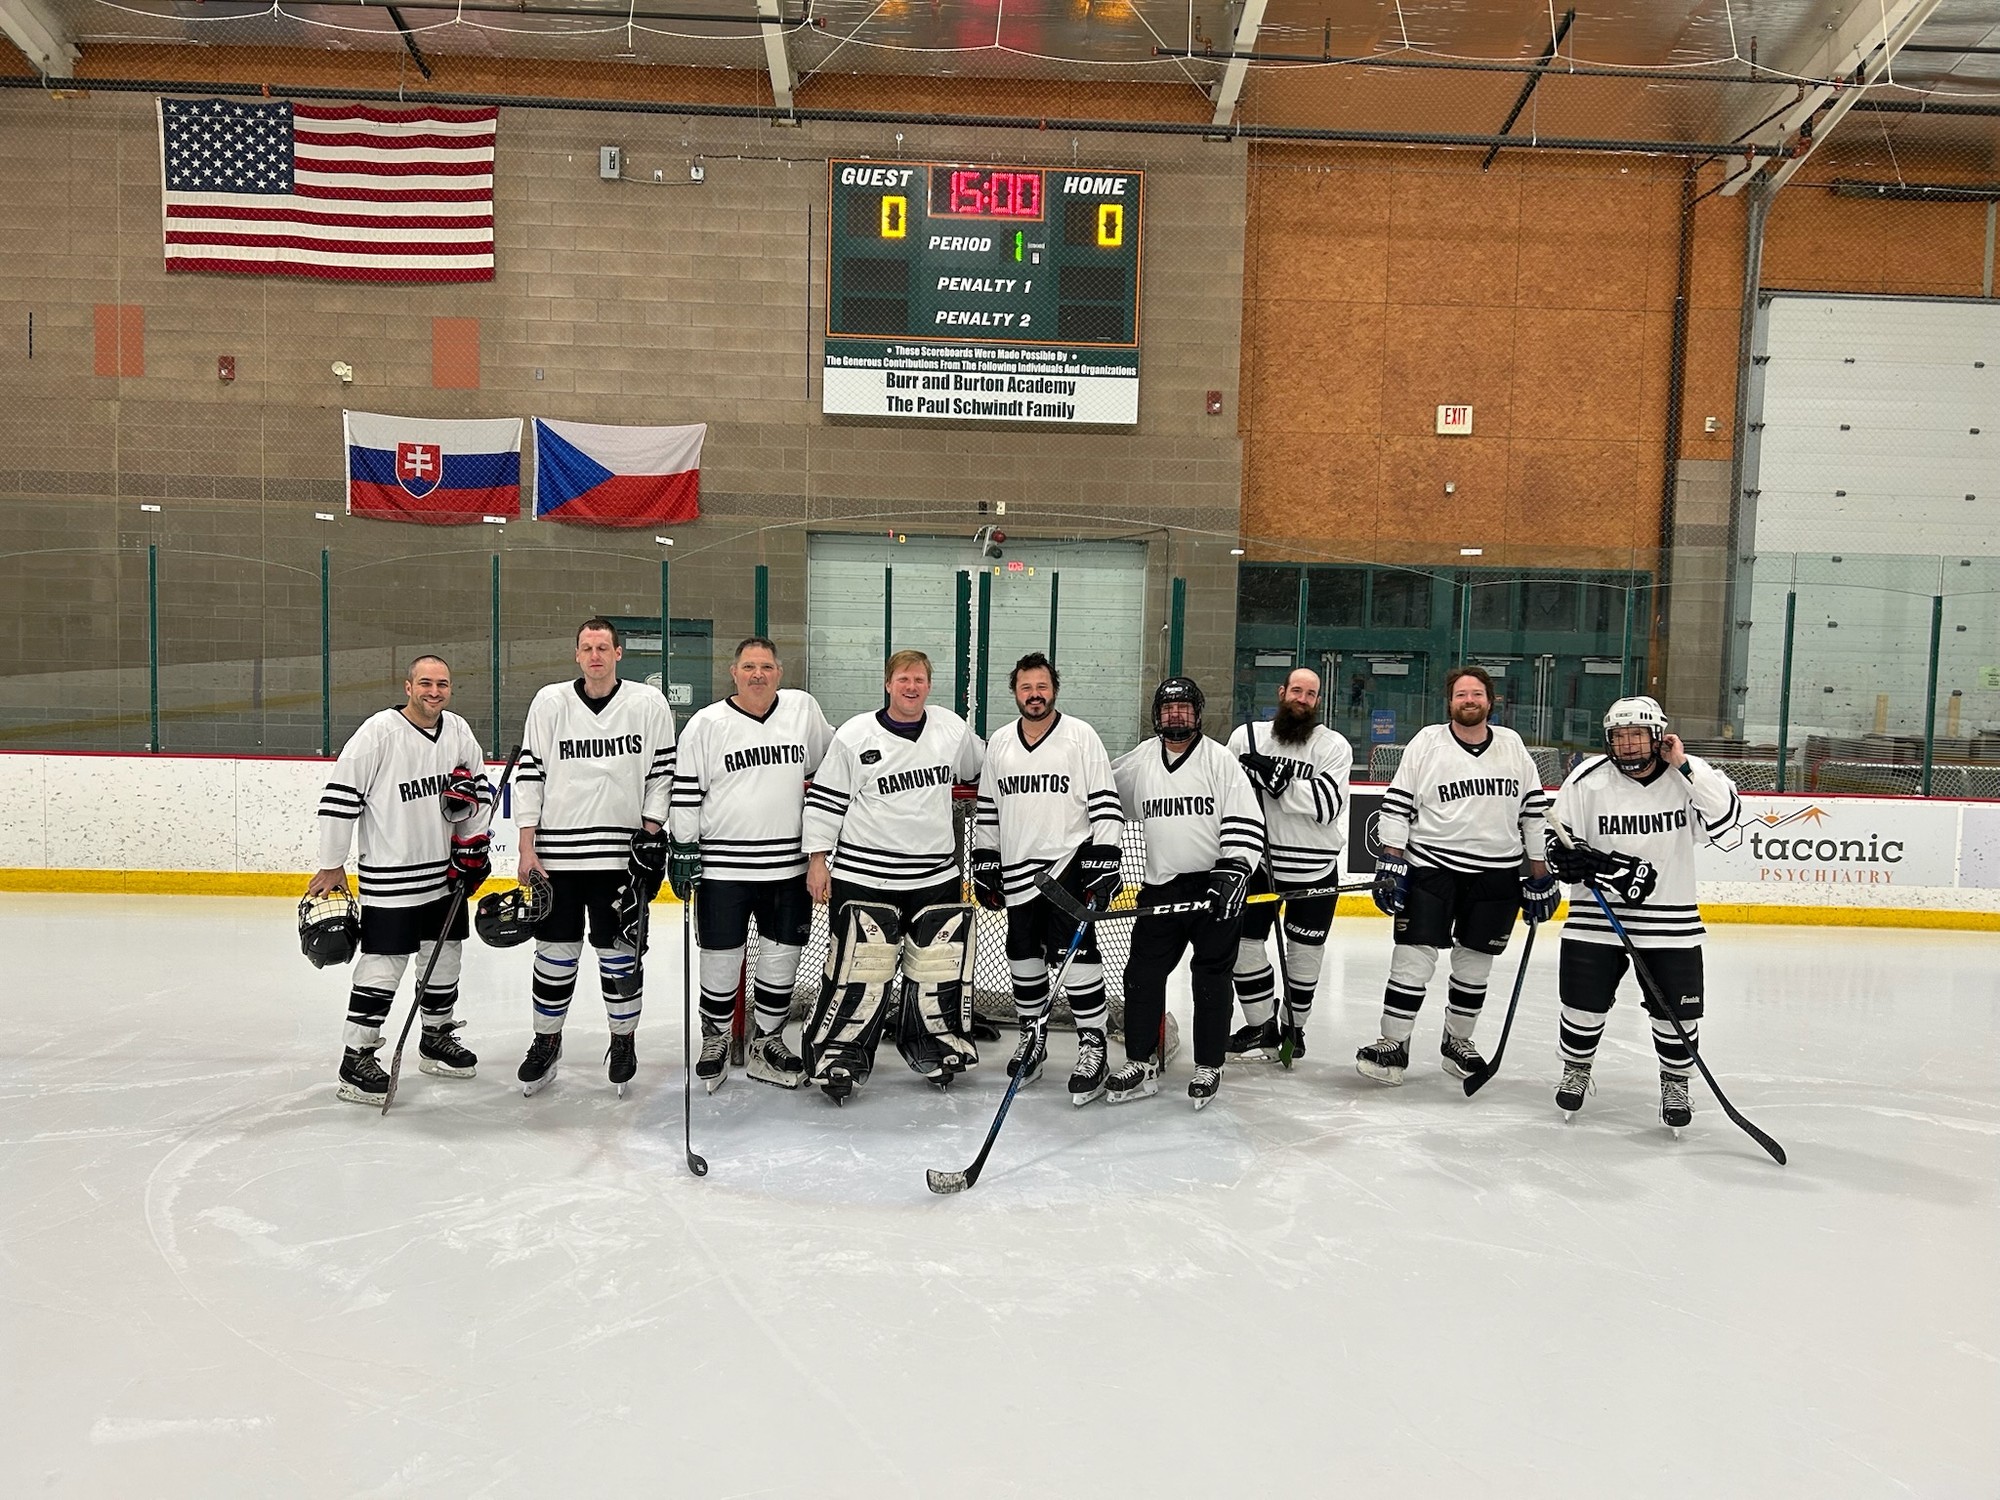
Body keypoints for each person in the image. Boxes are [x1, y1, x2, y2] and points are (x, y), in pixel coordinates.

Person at [1545, 696, 1743, 1131]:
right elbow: (1555, 837)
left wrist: (1684, 766)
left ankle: (1676, 1082)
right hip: (1595, 917)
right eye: (1620, 736)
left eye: (1637, 734)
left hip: (1671, 919)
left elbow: (1727, 824)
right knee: (1582, 1006)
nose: (1629, 744)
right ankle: (1576, 1069)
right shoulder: (1587, 779)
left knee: (1677, 1013)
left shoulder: (1687, 775)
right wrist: (1564, 859)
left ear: (1659, 737)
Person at [799, 649, 985, 1102]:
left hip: (933, 874)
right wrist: (818, 859)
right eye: (903, 679)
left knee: (936, 969)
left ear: (929, 685)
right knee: (859, 968)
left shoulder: (951, 729)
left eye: (919, 679)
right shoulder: (855, 734)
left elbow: (982, 767)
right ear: (888, 684)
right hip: (865, 875)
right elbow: (825, 800)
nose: (911, 687)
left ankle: (935, 1042)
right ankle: (838, 1050)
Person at [1358, 665, 1556, 1085]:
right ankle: (1393, 1044)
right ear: (1449, 702)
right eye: (1461, 694)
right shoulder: (1427, 742)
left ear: (1491, 701)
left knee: (1475, 965)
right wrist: (1391, 860)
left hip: (1497, 874)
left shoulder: (1512, 745)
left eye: (1477, 694)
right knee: (1412, 960)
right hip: (1432, 867)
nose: (1469, 700)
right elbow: (1397, 805)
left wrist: (1540, 874)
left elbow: (1534, 814)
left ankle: (1458, 1042)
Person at [309, 654, 492, 1104]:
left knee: (444, 959)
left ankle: (436, 1036)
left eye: (442, 684)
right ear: (408, 687)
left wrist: (471, 843)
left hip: (444, 873)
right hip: (391, 875)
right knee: (383, 966)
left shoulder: (458, 731)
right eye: (425, 683)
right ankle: (356, 1058)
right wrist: (332, 863)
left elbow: (481, 790)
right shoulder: (379, 732)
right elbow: (340, 798)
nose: (434, 691)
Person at [512, 618, 677, 1097]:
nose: (595, 655)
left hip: (620, 860)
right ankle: (547, 1041)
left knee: (620, 954)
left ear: (619, 653)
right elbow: (531, 773)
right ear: (577, 654)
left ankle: (623, 1041)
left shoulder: (647, 703)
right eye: (587, 647)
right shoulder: (550, 702)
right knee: (554, 955)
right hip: (557, 859)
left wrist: (650, 832)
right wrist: (526, 845)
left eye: (603, 647)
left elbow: (662, 771)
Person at [667, 636, 833, 1094]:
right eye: (748, 667)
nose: (757, 674)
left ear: (779, 672)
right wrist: (683, 847)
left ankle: (767, 1041)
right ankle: (717, 1037)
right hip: (724, 869)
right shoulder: (706, 724)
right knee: (721, 959)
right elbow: (685, 791)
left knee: (782, 958)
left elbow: (831, 767)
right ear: (734, 672)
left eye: (766, 667)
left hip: (787, 867)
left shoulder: (802, 710)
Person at [971, 652, 1124, 1105]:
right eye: (1026, 687)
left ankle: (1093, 1045)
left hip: (1067, 865)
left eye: (1042, 686)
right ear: (1015, 692)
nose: (1034, 695)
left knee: (1078, 959)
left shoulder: (1080, 736)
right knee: (1022, 956)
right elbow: (989, 809)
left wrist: (1105, 857)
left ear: (1054, 689)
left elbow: (1105, 801)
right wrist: (985, 858)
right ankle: (1032, 1038)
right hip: (1018, 869)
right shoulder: (1000, 742)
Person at [1109, 677, 1264, 1110]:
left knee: (1211, 977)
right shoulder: (1142, 760)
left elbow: (1245, 816)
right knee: (1141, 975)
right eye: (1168, 708)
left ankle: (1209, 1064)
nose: (1176, 715)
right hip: (1161, 888)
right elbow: (1101, 792)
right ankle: (1140, 1062)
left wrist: (1234, 868)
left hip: (1215, 887)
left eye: (1184, 708)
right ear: (1156, 715)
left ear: (1198, 714)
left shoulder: (1219, 760)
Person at [1225, 667, 1353, 1062]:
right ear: (1282, 692)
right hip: (1259, 865)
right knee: (1242, 946)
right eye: (1296, 690)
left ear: (1318, 701)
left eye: (1311, 694)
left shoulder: (1332, 746)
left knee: (1304, 957)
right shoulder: (1246, 738)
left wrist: (1281, 783)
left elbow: (1328, 806)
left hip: (1314, 870)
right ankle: (1261, 1025)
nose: (1302, 699)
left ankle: (1294, 1028)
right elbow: (1225, 793)